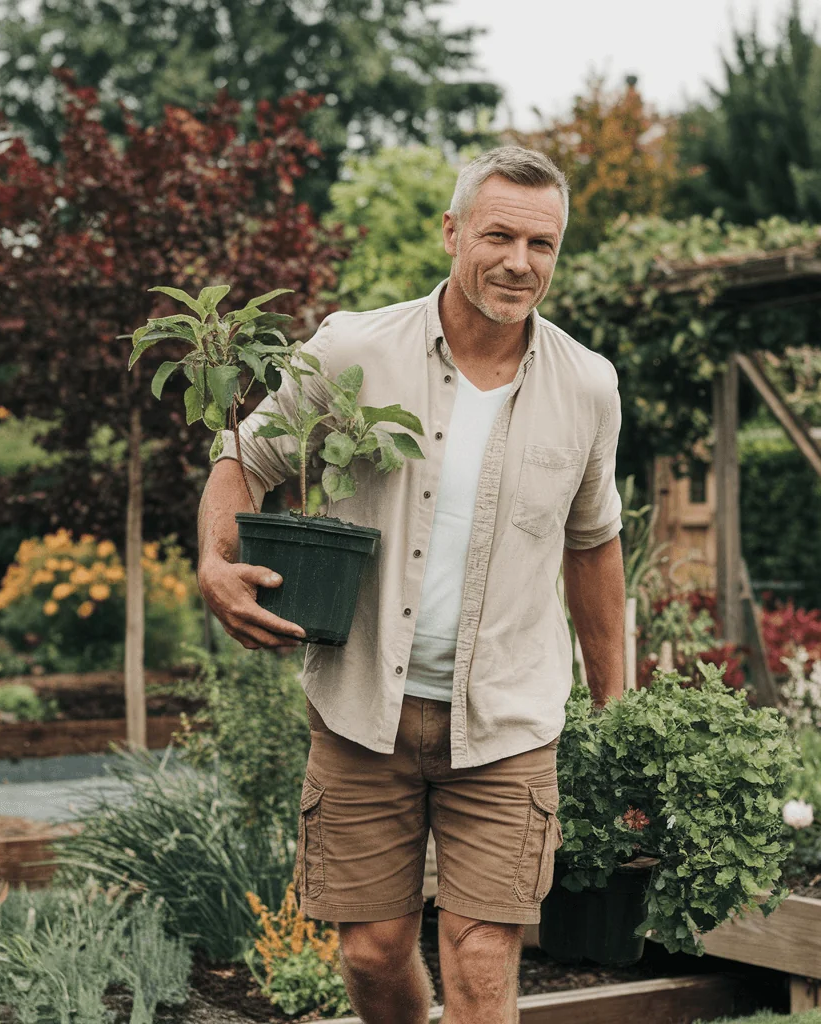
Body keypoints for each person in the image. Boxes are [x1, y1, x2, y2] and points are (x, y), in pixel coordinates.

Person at [197, 145, 624, 1024]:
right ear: (452, 231)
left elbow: (594, 547)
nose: (518, 262)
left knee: (478, 952)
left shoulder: (588, 385)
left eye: (541, 244)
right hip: (363, 710)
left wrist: (616, 704)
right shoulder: (356, 348)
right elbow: (246, 457)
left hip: (506, 723)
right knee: (372, 953)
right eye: (499, 235)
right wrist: (215, 562)